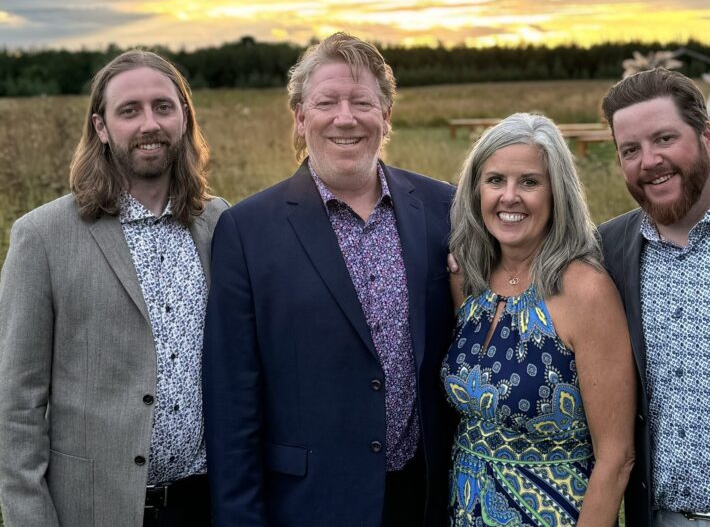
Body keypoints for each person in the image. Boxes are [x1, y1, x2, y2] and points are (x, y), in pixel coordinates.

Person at [202, 31, 456, 526]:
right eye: (327, 102)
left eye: (362, 101)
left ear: (385, 116)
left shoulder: (443, 207)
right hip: (309, 503)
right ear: (300, 117)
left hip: (424, 498)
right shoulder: (247, 229)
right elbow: (232, 398)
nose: (346, 117)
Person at [0, 50, 228, 527]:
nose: (150, 123)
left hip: (206, 504)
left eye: (163, 107)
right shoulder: (42, 237)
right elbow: (16, 403)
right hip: (94, 509)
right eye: (130, 110)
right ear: (102, 127)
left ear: (184, 118)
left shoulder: (217, 222)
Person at [443, 112, 636, 526]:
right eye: (495, 180)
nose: (509, 196)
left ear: (556, 193)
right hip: (466, 510)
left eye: (529, 182)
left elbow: (617, 457)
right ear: (476, 190)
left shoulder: (585, 289)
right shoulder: (469, 279)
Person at [599, 68, 710, 526]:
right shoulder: (607, 249)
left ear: (707, 137)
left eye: (665, 139)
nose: (648, 160)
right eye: (630, 149)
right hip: (659, 517)